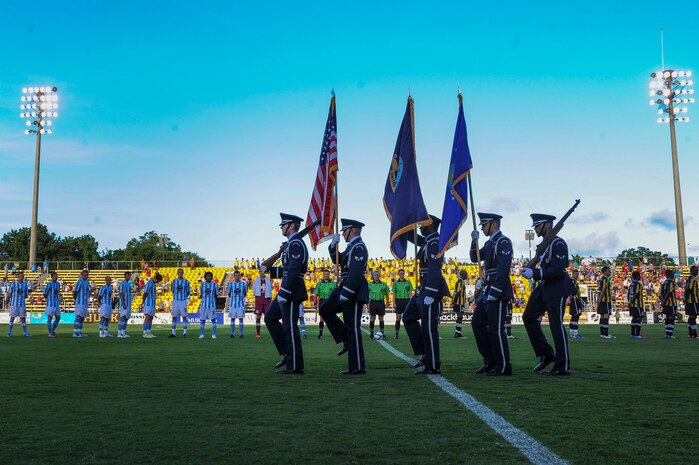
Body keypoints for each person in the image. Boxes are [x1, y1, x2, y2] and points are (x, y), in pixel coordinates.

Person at [521, 213, 576, 376]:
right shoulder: (545, 244)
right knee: (528, 317)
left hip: (557, 288)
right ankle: (547, 354)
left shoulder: (558, 243)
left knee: (556, 325)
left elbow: (558, 271)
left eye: (538, 226)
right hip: (545, 287)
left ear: (547, 225)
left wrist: (535, 273)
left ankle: (563, 365)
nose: (536, 229)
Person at [319, 218, 369, 375]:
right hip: (345, 288)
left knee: (353, 328)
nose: (343, 233)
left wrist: (346, 293)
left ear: (353, 230)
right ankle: (345, 338)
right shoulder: (351, 247)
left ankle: (358, 366)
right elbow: (338, 260)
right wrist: (333, 246)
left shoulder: (359, 247)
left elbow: (355, 273)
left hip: (353, 291)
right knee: (325, 309)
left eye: (345, 230)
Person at [263, 213, 308, 374]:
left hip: (291, 290)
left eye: (284, 225)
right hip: (286, 288)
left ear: (292, 226)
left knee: (290, 327)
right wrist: (268, 268)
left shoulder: (296, 243)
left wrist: (285, 292)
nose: (282, 227)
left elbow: (294, 269)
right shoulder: (291, 244)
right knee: (269, 317)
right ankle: (287, 353)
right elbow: (287, 269)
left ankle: (295, 365)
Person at [403, 215, 449, 375]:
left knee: (429, 328)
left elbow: (435, 269)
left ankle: (433, 364)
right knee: (408, 317)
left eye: (423, 224)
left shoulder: (434, 242)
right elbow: (413, 238)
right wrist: (403, 222)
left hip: (429, 289)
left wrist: (430, 293)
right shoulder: (428, 241)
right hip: (422, 288)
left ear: (431, 225)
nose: (421, 226)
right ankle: (425, 353)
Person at [470, 213, 514, 376]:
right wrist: (473, 241)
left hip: (497, 292)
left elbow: (503, 270)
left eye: (484, 224)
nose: (482, 227)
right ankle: (489, 361)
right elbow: (475, 257)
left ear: (494, 224)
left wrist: (494, 292)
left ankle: (502, 365)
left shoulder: (503, 241)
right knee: (477, 324)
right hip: (486, 291)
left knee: (495, 329)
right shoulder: (490, 243)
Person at [312, 269, 336, 340]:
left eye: (328, 274)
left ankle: (334, 334)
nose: (326, 275)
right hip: (322, 301)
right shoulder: (319, 284)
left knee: (332, 318)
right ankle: (320, 334)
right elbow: (316, 294)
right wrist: (315, 302)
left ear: (329, 275)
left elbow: (336, 294)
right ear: (323, 275)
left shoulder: (333, 283)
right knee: (322, 318)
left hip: (330, 302)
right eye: (325, 274)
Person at [368, 269, 390, 339]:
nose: (376, 276)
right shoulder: (369, 284)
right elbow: (366, 295)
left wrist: (387, 302)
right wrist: (368, 303)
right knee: (372, 318)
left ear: (379, 276)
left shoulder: (384, 284)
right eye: (375, 275)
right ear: (373, 276)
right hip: (373, 302)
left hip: (381, 302)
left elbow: (387, 294)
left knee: (381, 318)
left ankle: (382, 333)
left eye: (377, 275)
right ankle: (371, 334)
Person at [391, 269, 413, 339]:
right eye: (400, 273)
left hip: (406, 301)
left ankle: (410, 334)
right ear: (398, 274)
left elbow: (410, 293)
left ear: (404, 274)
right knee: (398, 318)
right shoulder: (395, 283)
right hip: (398, 301)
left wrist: (411, 302)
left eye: (403, 273)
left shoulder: (408, 282)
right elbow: (394, 293)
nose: (401, 274)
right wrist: (394, 302)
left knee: (407, 318)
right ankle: (397, 334)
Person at [6, 271, 30, 337]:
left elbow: (26, 295)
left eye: (23, 276)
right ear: (18, 277)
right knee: (12, 318)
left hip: (22, 304)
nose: (22, 278)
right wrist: (14, 298)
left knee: (23, 318)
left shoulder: (25, 284)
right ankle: (9, 332)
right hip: (14, 304)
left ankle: (25, 332)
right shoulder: (13, 284)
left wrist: (21, 297)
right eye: (21, 276)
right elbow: (9, 293)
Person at [72, 270, 94, 338]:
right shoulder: (80, 281)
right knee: (78, 316)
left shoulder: (86, 282)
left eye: (87, 275)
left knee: (82, 317)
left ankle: (79, 331)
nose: (86, 276)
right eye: (85, 275)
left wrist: (91, 290)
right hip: (80, 302)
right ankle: (75, 332)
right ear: (82, 275)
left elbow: (87, 292)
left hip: (85, 302)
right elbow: (75, 291)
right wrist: (76, 299)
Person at [170, 268, 191, 338]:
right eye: (179, 272)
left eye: (182, 272)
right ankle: (173, 333)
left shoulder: (186, 282)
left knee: (184, 316)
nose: (180, 273)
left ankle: (185, 332)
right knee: (174, 316)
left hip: (183, 301)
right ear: (177, 273)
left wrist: (184, 297)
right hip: (175, 301)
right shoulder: (173, 281)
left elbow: (188, 291)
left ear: (183, 273)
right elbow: (172, 290)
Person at [252, 270, 273, 340]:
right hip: (259, 301)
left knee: (268, 318)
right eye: (261, 272)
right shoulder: (256, 281)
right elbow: (254, 290)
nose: (262, 273)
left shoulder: (269, 280)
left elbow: (271, 289)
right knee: (258, 317)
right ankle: (258, 334)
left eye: (264, 272)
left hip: (267, 301)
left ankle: (272, 333)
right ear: (259, 272)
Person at [227, 270, 248, 338]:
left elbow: (245, 293)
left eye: (238, 275)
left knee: (241, 319)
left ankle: (241, 334)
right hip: (233, 304)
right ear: (234, 276)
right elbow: (229, 293)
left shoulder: (244, 284)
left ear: (240, 276)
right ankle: (232, 334)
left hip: (240, 304)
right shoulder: (231, 284)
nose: (237, 277)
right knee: (232, 319)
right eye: (236, 275)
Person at [199, 271, 219, 339]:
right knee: (202, 320)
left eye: (210, 276)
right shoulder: (202, 285)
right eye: (207, 276)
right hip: (203, 305)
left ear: (212, 277)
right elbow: (201, 294)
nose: (209, 277)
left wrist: (212, 302)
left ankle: (213, 334)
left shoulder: (215, 285)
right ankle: (202, 334)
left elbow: (216, 295)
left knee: (213, 319)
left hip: (211, 305)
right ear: (205, 277)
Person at [142, 273, 162, 338]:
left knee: (151, 318)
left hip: (152, 304)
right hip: (148, 303)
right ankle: (145, 333)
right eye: (158, 281)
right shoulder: (149, 283)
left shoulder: (153, 284)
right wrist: (143, 301)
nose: (158, 282)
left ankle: (149, 332)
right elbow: (145, 292)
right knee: (147, 317)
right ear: (156, 279)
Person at [597, 266, 614, 339]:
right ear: (604, 272)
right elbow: (603, 289)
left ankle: (602, 334)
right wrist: (600, 299)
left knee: (602, 316)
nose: (610, 272)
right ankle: (606, 334)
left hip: (602, 300)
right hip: (605, 300)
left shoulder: (601, 279)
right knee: (606, 316)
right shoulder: (605, 279)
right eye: (608, 271)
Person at [660, 269, 677, 339]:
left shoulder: (664, 283)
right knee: (671, 317)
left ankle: (667, 334)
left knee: (667, 317)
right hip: (671, 303)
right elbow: (670, 292)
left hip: (665, 304)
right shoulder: (671, 282)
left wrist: (662, 301)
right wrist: (664, 300)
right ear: (671, 275)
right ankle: (670, 334)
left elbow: (660, 293)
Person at [43, 271, 62, 337]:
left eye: (56, 276)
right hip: (50, 304)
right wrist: (48, 300)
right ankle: (50, 333)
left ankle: (52, 331)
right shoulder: (49, 284)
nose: (56, 277)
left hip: (56, 304)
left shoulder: (58, 284)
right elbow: (45, 293)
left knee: (58, 318)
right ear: (51, 277)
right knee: (50, 318)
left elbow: (58, 293)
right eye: (54, 276)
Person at [628, 270, 645, 339]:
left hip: (632, 304)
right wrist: (632, 301)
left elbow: (628, 294)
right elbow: (637, 293)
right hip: (637, 304)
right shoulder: (638, 284)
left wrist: (629, 301)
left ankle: (633, 333)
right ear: (638, 277)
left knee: (634, 318)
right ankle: (637, 334)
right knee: (638, 318)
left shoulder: (631, 284)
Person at [568, 269, 585, 339]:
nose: (577, 275)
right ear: (572, 274)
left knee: (573, 316)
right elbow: (572, 292)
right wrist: (569, 299)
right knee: (576, 316)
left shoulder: (574, 281)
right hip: (575, 300)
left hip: (574, 300)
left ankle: (572, 333)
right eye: (575, 273)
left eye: (577, 274)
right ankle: (575, 333)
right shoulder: (573, 281)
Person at [117, 272, 134, 338]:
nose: (129, 277)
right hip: (124, 303)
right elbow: (121, 294)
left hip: (128, 304)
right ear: (124, 276)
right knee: (123, 317)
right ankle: (119, 333)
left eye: (129, 275)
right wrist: (123, 303)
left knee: (126, 318)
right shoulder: (122, 284)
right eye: (127, 275)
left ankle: (123, 332)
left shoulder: (128, 284)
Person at [684, 266, 699, 339]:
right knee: (693, 316)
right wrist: (686, 298)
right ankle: (694, 334)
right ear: (692, 271)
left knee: (691, 316)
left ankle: (690, 334)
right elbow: (689, 289)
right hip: (693, 300)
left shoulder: (688, 279)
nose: (697, 272)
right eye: (696, 270)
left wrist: (685, 298)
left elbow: (686, 289)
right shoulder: (692, 279)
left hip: (691, 300)